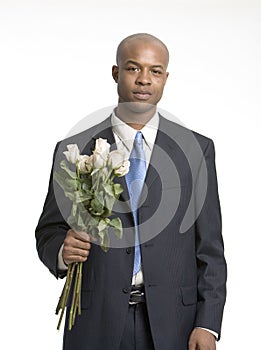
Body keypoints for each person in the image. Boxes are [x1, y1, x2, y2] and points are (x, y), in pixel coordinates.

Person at [35, 33, 227, 350]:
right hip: (95, 321)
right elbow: (49, 229)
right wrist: (61, 251)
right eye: (133, 68)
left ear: (165, 78)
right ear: (116, 73)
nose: (144, 80)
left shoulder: (196, 149)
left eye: (155, 71)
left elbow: (209, 246)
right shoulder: (75, 148)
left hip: (174, 323)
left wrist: (208, 324)